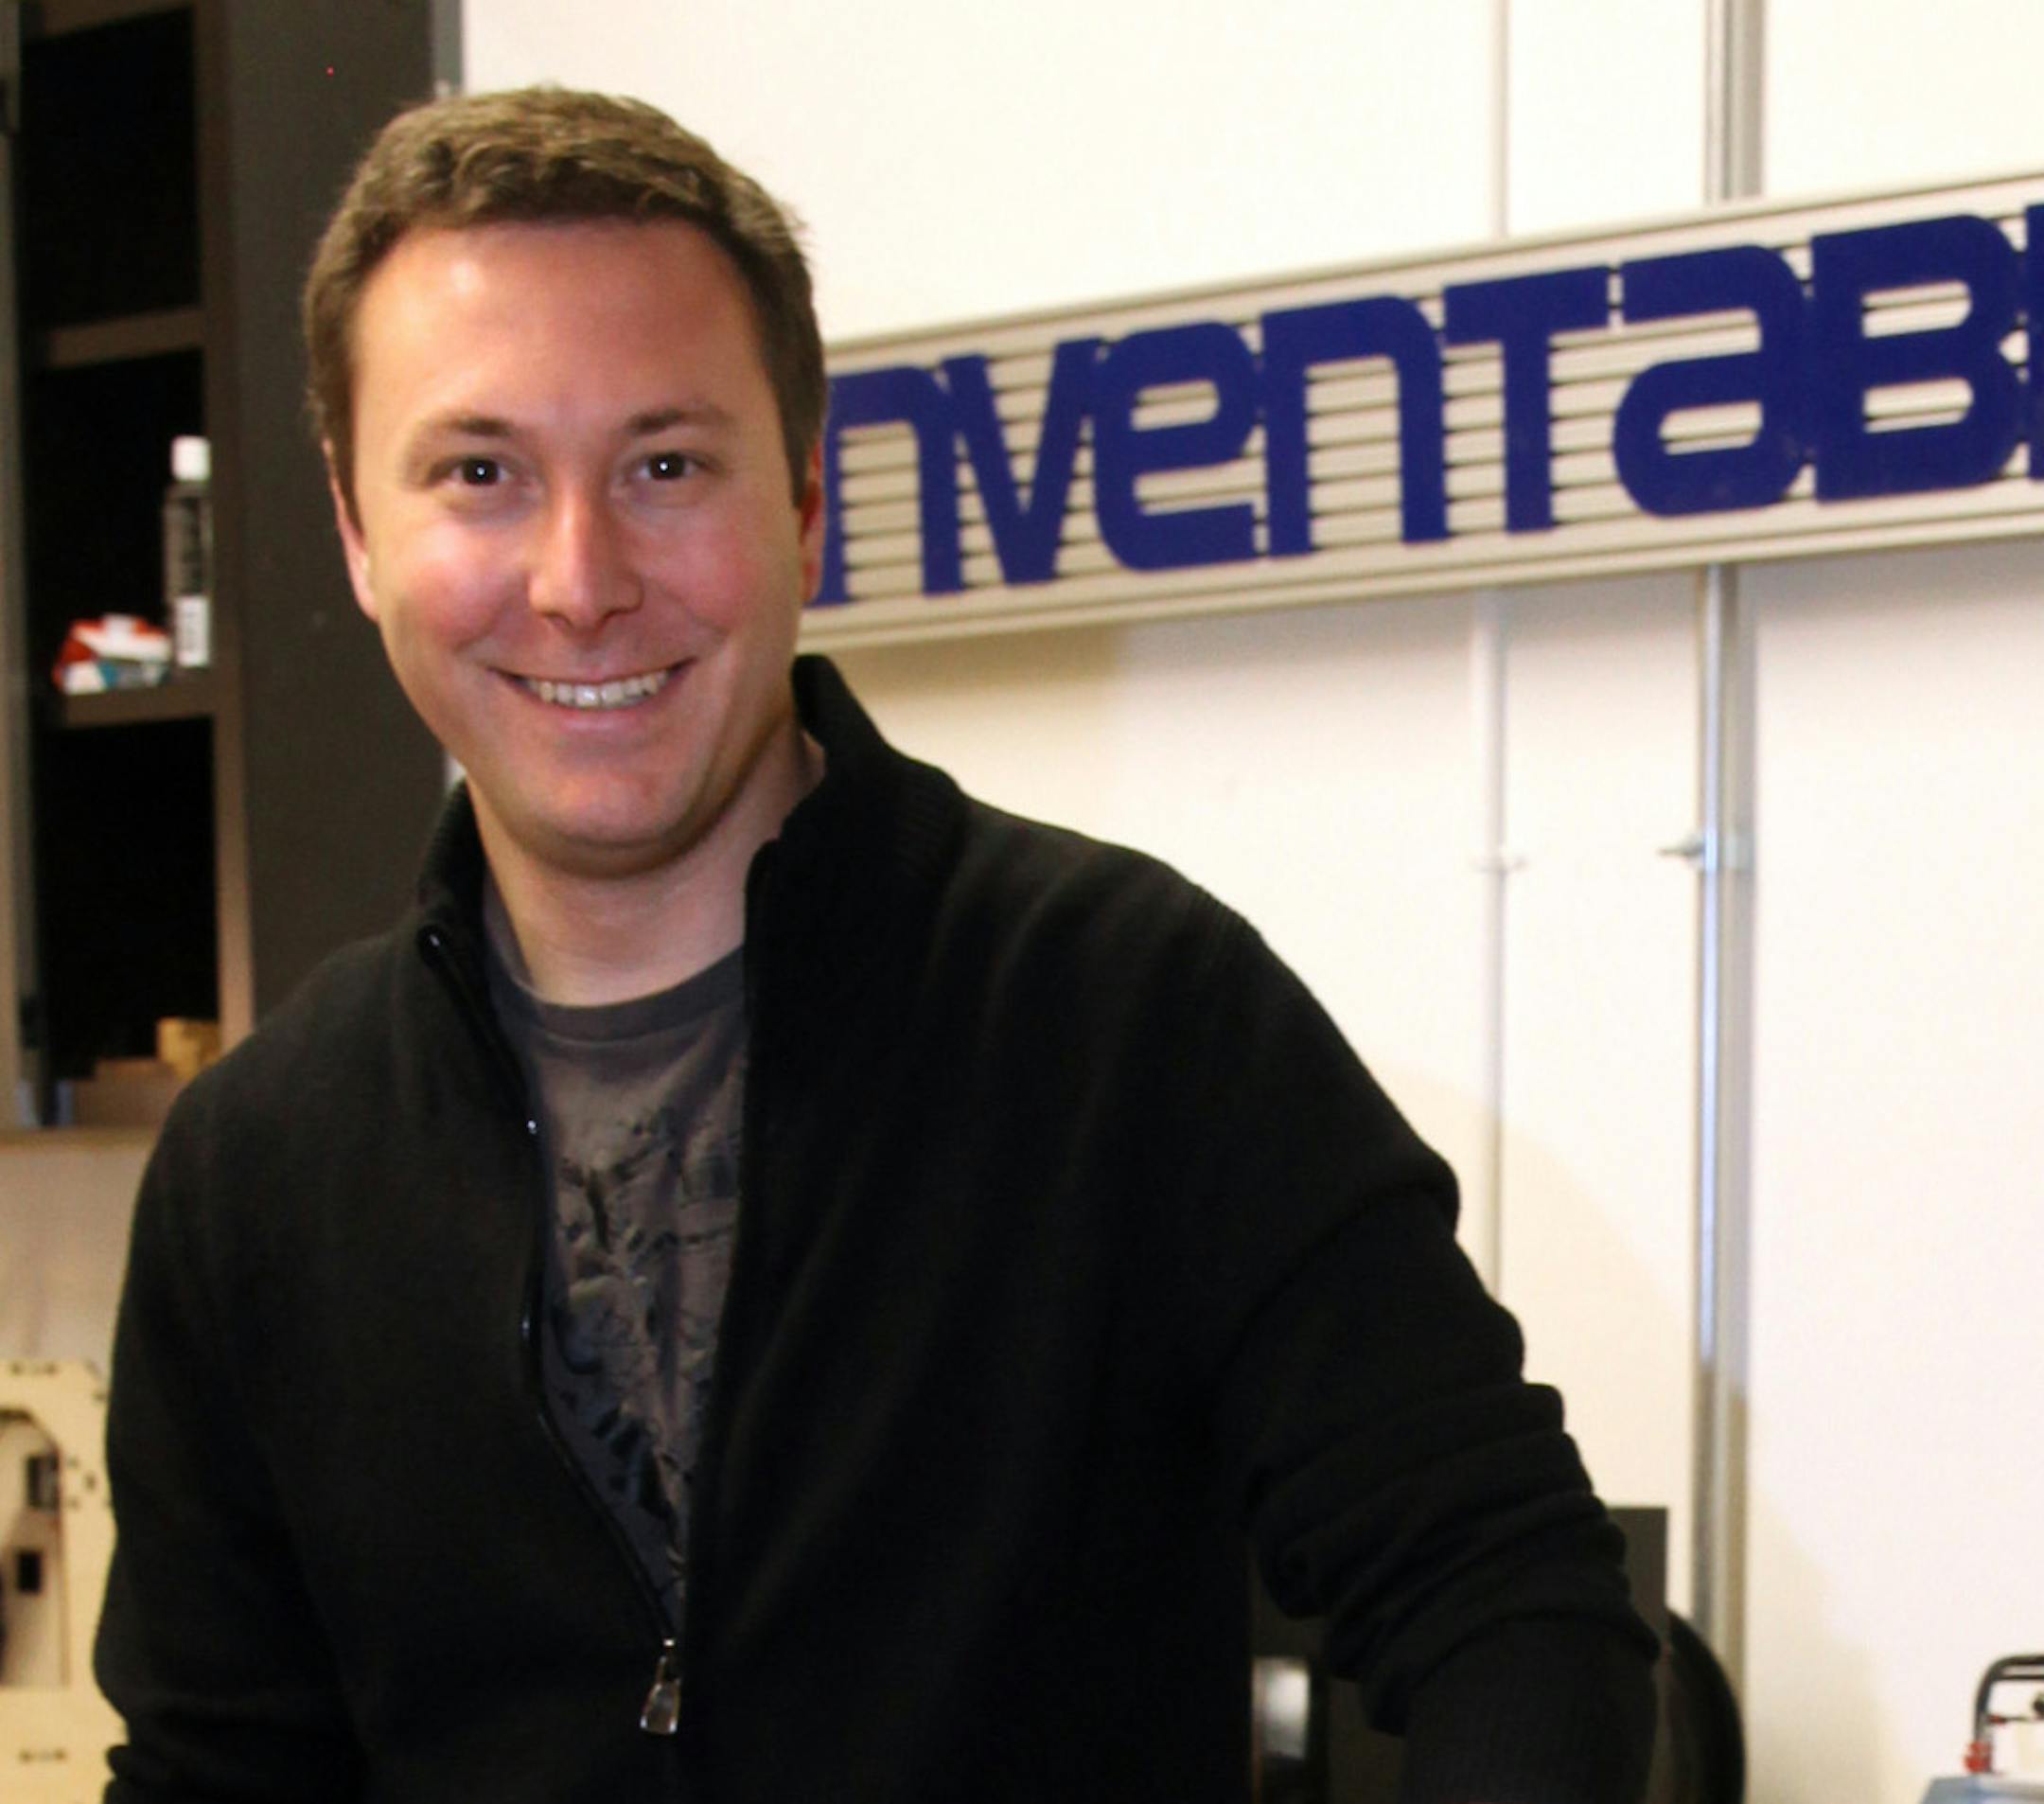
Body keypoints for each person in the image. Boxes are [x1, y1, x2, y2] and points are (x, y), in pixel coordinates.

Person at [94, 86, 1658, 1804]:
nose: (578, 578)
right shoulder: (257, 1169)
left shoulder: (1129, 1014)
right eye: (481, 473)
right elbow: (215, 1775)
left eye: (666, 464)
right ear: (355, 530)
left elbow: (1515, 1603)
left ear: (802, 499)